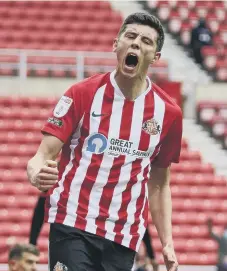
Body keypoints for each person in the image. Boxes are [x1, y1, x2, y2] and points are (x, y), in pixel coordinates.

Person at [27, 12, 182, 271]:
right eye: (130, 36)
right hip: (72, 222)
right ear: (115, 44)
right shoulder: (82, 93)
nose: (135, 44)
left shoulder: (169, 113)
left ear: (155, 57)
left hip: (123, 236)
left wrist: (167, 242)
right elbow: (42, 155)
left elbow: (159, 183)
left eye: (145, 41)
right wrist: (35, 173)